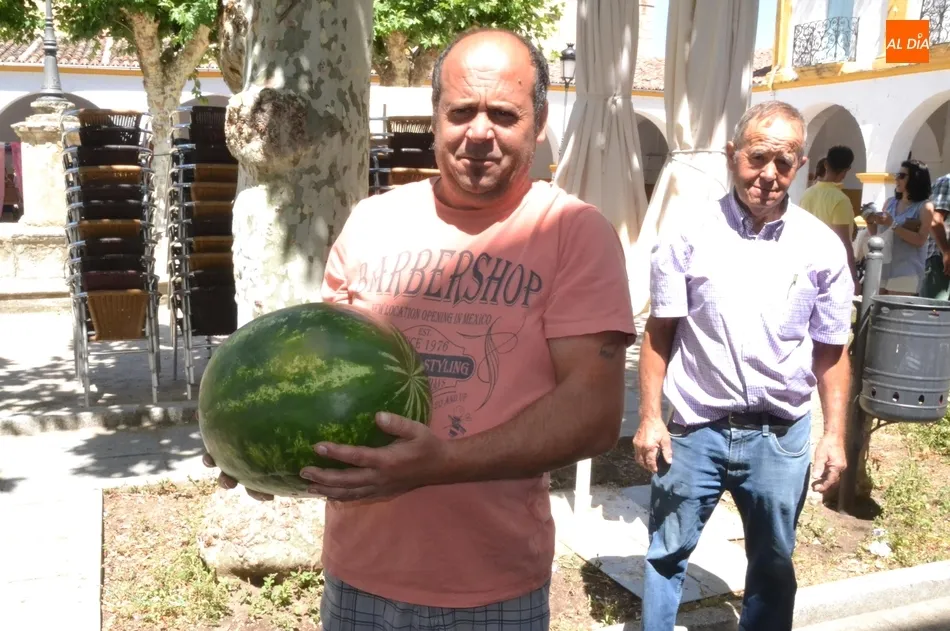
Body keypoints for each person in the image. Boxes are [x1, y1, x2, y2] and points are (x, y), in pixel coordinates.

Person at [204, 27, 637, 631]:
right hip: (357, 576)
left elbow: (593, 414)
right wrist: (247, 438)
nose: (479, 132)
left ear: (539, 123)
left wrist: (443, 462)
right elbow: (316, 374)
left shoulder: (573, 232)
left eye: (503, 114)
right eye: (461, 111)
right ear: (435, 117)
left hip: (493, 589)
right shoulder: (372, 221)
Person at [632, 100, 853, 631]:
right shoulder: (688, 233)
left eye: (784, 161)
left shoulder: (821, 247)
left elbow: (831, 350)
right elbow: (660, 332)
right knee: (666, 556)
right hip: (695, 432)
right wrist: (650, 417)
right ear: (733, 155)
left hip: (780, 438)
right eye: (757, 157)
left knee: (773, 565)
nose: (769, 174)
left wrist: (834, 435)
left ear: (801, 166)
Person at [866, 159, 934, 296]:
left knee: (895, 309)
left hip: (906, 271)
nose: (896, 179)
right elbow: (878, 236)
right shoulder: (890, 202)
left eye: (902, 176)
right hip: (882, 268)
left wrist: (893, 224)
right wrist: (869, 221)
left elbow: (920, 240)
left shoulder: (925, 207)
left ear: (915, 179)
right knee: (873, 307)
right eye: (897, 175)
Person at [798, 145, 859, 288]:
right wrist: (854, 277)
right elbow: (844, 243)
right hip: (830, 270)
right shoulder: (840, 199)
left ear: (826, 164)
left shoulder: (807, 194)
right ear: (847, 170)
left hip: (805, 264)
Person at [920, 172, 950, 299]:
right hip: (940, 260)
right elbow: (935, 220)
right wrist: (946, 252)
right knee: (935, 307)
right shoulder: (947, 182)